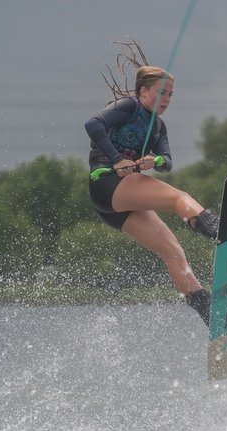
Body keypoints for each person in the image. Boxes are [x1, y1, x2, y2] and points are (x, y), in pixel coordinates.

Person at [84, 50, 218, 326]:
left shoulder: (158, 126)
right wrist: (117, 159)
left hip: (118, 206)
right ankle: (221, 232)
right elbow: (93, 124)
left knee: (172, 251)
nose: (166, 100)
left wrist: (153, 160)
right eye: (161, 93)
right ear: (143, 92)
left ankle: (210, 313)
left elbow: (167, 162)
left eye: (170, 95)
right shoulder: (127, 107)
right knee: (178, 198)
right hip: (108, 182)